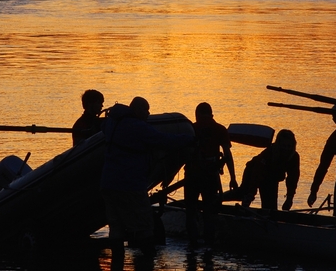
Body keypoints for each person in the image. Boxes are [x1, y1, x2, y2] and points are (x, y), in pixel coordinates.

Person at [100, 96, 194, 254]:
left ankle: (117, 267)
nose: (148, 114)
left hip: (108, 183)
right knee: (144, 225)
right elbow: (163, 140)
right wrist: (188, 139)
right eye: (146, 110)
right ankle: (145, 266)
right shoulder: (138, 127)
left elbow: (102, 127)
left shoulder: (111, 122)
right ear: (136, 110)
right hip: (130, 183)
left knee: (116, 226)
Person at [185, 102, 237, 245]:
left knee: (190, 211)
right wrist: (233, 178)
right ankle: (209, 245)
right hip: (210, 177)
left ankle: (193, 244)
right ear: (211, 114)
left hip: (192, 176)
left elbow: (181, 155)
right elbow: (227, 154)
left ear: (197, 115)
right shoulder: (220, 129)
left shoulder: (192, 129)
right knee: (209, 212)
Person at [222, 129, 300, 211]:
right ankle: (218, 198)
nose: (286, 149)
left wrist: (289, 198)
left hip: (271, 179)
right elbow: (257, 173)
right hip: (253, 170)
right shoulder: (269, 153)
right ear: (279, 144)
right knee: (243, 193)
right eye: (283, 146)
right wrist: (251, 193)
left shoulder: (294, 157)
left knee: (270, 207)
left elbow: (293, 178)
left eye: (289, 146)